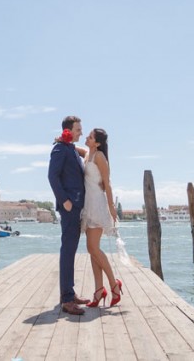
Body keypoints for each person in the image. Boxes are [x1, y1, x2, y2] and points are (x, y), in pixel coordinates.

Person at [47, 114, 89, 316]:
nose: (81, 132)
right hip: (69, 206)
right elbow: (52, 176)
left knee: (71, 250)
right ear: (69, 130)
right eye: (78, 129)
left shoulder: (70, 148)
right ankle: (66, 299)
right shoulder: (59, 149)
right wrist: (65, 201)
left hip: (77, 205)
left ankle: (69, 293)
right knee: (68, 250)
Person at [81, 128, 123, 307]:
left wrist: (112, 207)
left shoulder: (99, 156)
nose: (86, 137)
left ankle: (114, 284)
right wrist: (63, 141)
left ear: (97, 142)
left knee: (93, 248)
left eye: (90, 137)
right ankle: (99, 290)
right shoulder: (88, 154)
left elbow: (107, 183)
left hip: (97, 203)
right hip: (87, 204)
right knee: (92, 249)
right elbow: (80, 150)